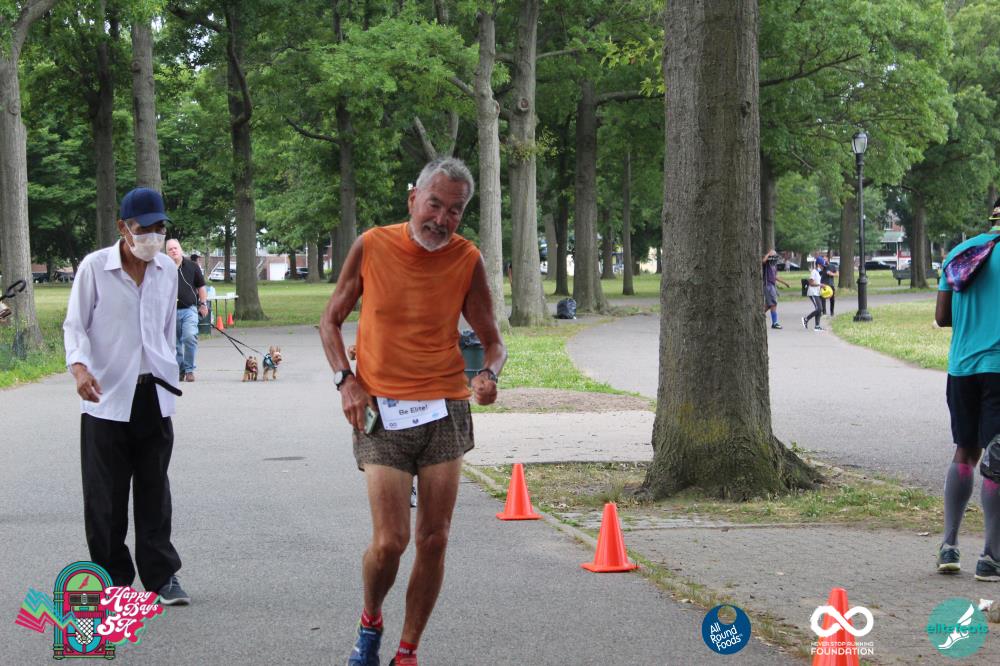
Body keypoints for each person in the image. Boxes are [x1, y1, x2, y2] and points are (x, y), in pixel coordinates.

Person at [319, 158, 506, 666]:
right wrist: (345, 381)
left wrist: (489, 375)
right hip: (381, 411)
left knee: (434, 538)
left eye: (454, 211)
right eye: (434, 205)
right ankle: (371, 620)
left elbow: (493, 342)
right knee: (391, 542)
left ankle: (407, 651)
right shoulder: (372, 245)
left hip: (444, 410)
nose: (442, 219)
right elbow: (330, 321)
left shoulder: (467, 259)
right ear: (412, 199)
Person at [63, 187, 190, 605]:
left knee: (155, 490)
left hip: (153, 395)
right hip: (105, 396)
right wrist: (80, 368)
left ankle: (161, 576)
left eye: (160, 227)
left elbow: (166, 328)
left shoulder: (167, 271)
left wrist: (169, 369)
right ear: (123, 228)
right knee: (106, 496)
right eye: (144, 228)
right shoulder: (94, 268)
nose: (153, 236)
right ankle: (112, 579)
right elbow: (75, 326)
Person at [934, 199, 1000, 581]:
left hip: (961, 368)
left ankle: (949, 545)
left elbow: (942, 317)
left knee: (965, 451)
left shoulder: (960, 252)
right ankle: (991, 557)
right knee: (997, 459)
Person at [165, 240, 209, 382]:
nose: (173, 251)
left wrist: (203, 304)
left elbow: (201, 287)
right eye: (170, 249)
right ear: (166, 252)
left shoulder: (192, 266)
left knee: (190, 337)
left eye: (175, 248)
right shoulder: (163, 268)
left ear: (181, 249)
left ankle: (190, 370)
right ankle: (180, 369)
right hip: (170, 312)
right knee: (175, 343)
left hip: (189, 309)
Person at [762, 249, 790, 329]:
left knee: (769, 304)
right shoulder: (767, 264)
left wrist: (784, 283)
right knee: (773, 303)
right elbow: (763, 261)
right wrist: (768, 253)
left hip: (772, 285)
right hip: (768, 285)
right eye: (773, 256)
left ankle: (758, 315)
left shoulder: (774, 265)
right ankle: (775, 323)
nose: (774, 257)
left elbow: (775, 277)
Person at [801, 257, 825, 331]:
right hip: (812, 293)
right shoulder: (814, 272)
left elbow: (817, 283)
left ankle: (817, 326)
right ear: (818, 265)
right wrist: (820, 285)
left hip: (817, 293)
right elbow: (811, 283)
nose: (822, 267)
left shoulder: (817, 273)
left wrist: (821, 287)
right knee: (819, 308)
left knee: (819, 309)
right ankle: (806, 319)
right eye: (822, 266)